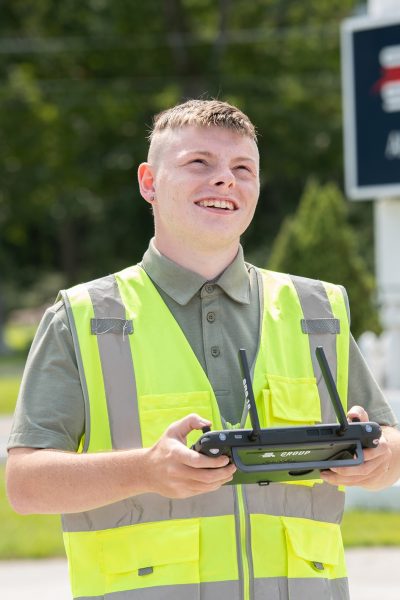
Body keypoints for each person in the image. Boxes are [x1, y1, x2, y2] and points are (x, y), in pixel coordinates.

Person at [6, 99, 400, 600]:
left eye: (243, 168)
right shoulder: (85, 316)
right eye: (199, 163)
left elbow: (390, 443)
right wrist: (144, 470)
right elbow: (26, 484)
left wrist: (380, 460)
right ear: (148, 182)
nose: (225, 180)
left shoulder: (315, 309)